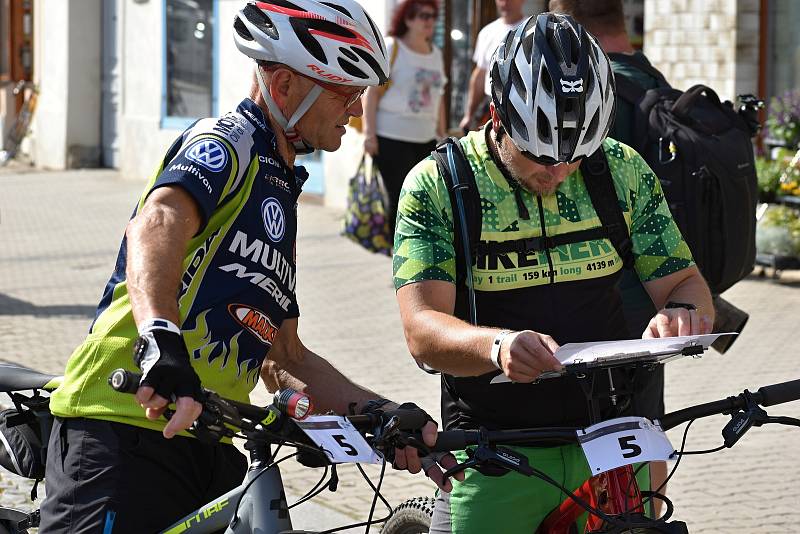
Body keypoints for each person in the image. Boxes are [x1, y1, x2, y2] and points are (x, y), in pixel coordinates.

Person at [39, 2, 456, 532]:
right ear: (283, 86)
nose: (353, 111)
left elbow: (283, 357)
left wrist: (382, 413)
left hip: (208, 440)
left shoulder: (280, 185)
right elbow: (157, 221)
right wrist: (160, 336)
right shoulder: (226, 141)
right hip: (123, 422)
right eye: (343, 93)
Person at [393, 13, 714, 534]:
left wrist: (683, 314)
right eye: (541, 154)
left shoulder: (621, 169)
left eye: (576, 154)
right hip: (496, 445)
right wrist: (497, 347)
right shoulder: (439, 184)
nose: (560, 171)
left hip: (611, 438)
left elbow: (684, 284)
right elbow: (422, 328)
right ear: (497, 115)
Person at [362, 0, 447, 236]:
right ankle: (399, 253)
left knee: (426, 197)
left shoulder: (436, 54)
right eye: (423, 16)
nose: (430, 21)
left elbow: (439, 97)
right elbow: (372, 94)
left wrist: (441, 133)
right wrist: (369, 135)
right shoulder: (393, 47)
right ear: (408, 19)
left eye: (433, 16)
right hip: (391, 138)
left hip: (426, 139)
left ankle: (419, 249)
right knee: (401, 198)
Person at [458, 0, 524, 132]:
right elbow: (480, 75)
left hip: (522, 108)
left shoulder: (532, 30)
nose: (505, 3)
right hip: (491, 109)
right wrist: (469, 114)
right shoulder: (487, 32)